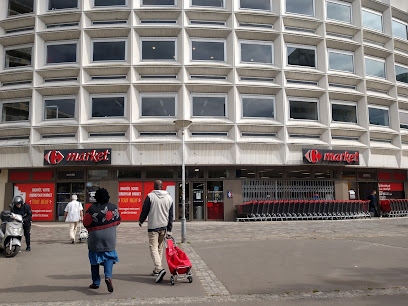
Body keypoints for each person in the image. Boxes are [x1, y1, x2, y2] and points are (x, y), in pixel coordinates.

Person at [83, 188, 121, 293]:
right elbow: (118, 221)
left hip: (95, 238)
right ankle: (108, 277)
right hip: (110, 237)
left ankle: (96, 282)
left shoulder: (91, 209)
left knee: (94, 259)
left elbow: (86, 223)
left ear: (96, 198)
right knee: (109, 256)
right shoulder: (113, 208)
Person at [139, 180, 173, 283]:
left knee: (153, 248)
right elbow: (171, 215)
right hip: (164, 226)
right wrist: (170, 230)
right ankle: (157, 269)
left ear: (154, 186)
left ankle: (159, 268)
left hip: (153, 226)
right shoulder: (169, 198)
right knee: (159, 248)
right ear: (162, 187)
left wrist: (141, 220)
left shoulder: (150, 197)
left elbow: (145, 210)